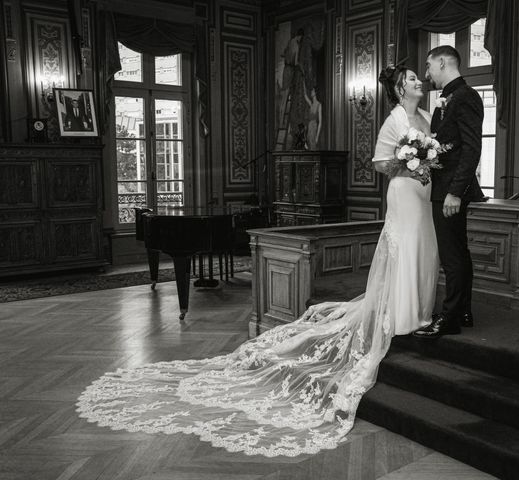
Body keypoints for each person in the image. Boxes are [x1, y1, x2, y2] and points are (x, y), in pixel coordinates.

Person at [75, 65, 439, 457]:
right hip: (404, 193)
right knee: (404, 249)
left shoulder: (426, 116)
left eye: (421, 77)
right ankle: (398, 314)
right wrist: (408, 162)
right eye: (413, 78)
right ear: (400, 88)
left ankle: (417, 310)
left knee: (424, 251)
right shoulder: (393, 120)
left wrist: (426, 160)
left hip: (424, 194)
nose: (420, 81)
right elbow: (381, 163)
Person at [413, 45, 485, 339]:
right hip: (445, 187)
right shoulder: (450, 98)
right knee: (459, 252)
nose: (427, 75)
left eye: (429, 67)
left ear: (443, 62)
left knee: (451, 255)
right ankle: (463, 311)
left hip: (451, 191)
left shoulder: (465, 96)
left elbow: (472, 148)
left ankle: (450, 318)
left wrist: (455, 192)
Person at [303, 84, 322, 150]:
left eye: (312, 91)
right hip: (309, 127)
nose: (311, 92)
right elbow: (305, 95)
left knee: (313, 147)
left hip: (314, 128)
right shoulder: (311, 104)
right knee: (309, 146)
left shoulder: (319, 105)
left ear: (315, 93)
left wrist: (317, 136)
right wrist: (303, 82)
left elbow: (320, 123)